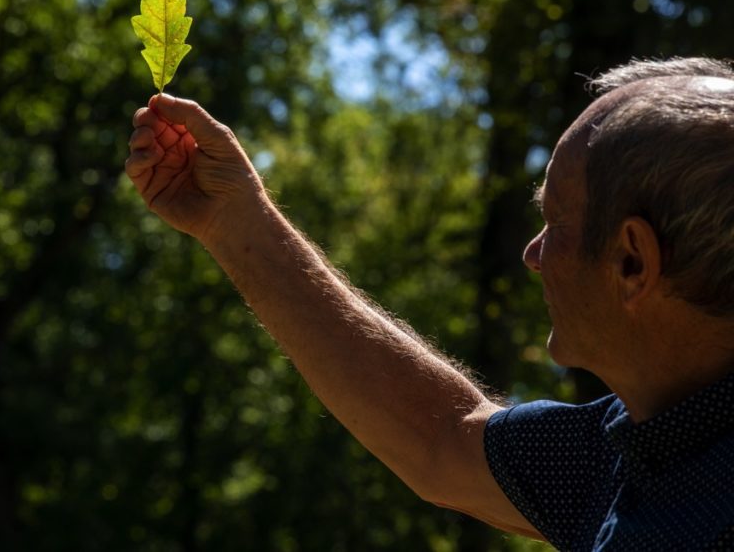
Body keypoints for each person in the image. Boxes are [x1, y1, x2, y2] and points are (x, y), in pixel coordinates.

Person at [124, 56, 734, 550]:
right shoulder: (628, 451)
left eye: (555, 221)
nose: (533, 252)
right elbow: (440, 440)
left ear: (632, 262)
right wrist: (235, 220)